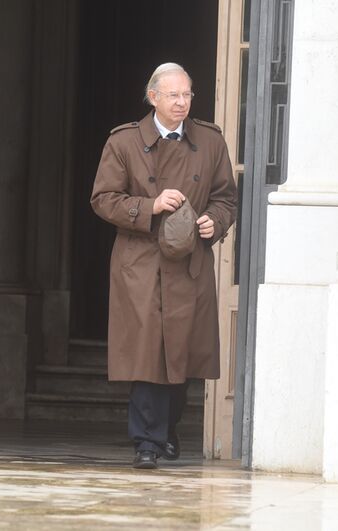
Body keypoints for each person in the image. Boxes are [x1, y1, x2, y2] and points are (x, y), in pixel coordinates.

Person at [91, 63, 238, 469]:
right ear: (152, 97)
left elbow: (226, 197)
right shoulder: (124, 142)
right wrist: (150, 206)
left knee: (182, 354)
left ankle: (168, 430)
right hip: (140, 264)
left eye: (188, 94)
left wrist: (215, 220)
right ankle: (146, 442)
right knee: (147, 355)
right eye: (173, 95)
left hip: (189, 263)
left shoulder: (209, 142)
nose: (182, 103)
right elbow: (103, 199)